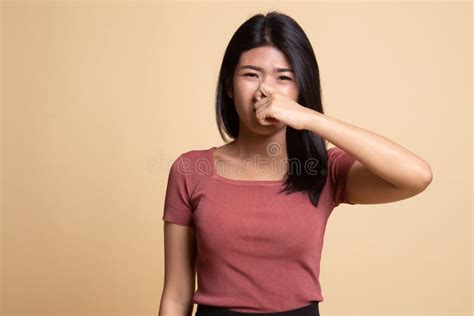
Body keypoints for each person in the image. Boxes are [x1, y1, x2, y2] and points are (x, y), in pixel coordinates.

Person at [158, 11, 433, 316]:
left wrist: (310, 118)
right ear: (228, 86)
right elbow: (176, 295)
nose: (265, 90)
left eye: (284, 78)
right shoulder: (190, 171)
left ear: (301, 89)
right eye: (251, 74)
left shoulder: (323, 170)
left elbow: (416, 176)